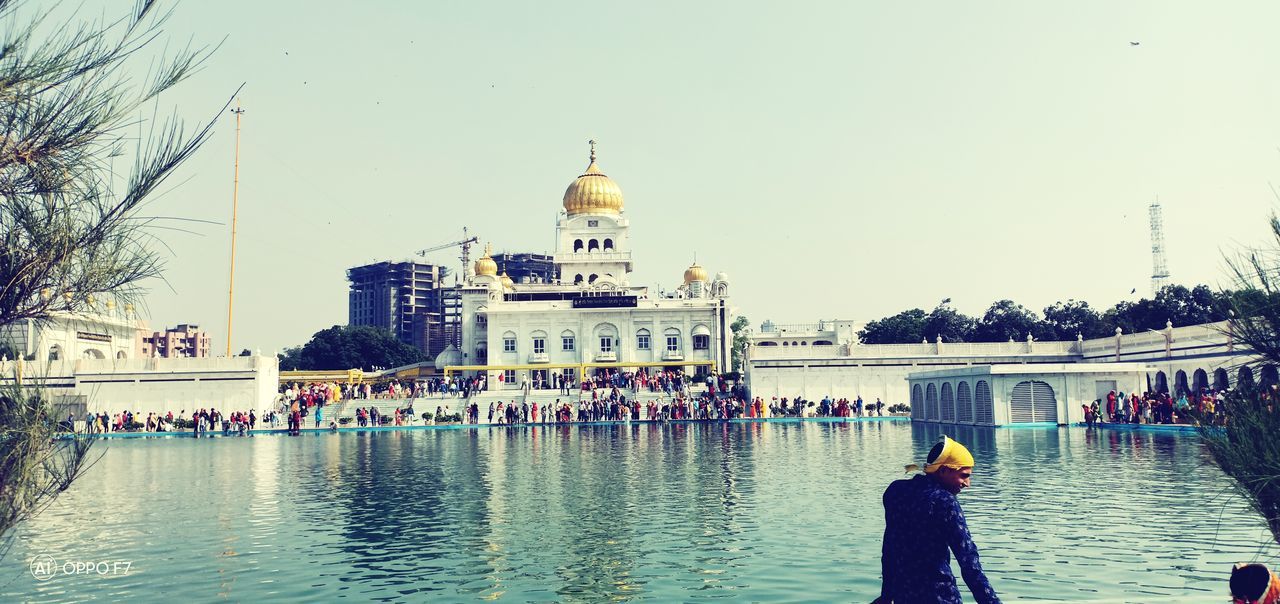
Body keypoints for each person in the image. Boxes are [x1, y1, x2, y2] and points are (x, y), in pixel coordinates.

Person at [875, 436, 1000, 604]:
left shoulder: (895, 491)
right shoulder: (944, 501)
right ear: (943, 471)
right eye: (963, 475)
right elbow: (969, 562)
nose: (967, 483)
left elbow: (889, 548)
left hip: (903, 596)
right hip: (939, 597)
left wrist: (886, 596)